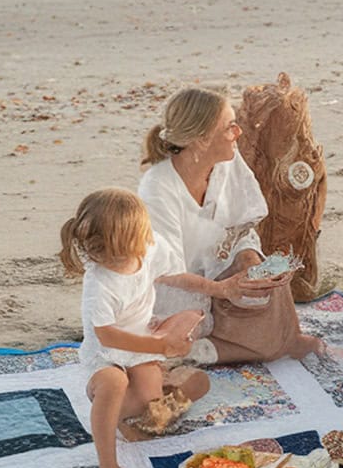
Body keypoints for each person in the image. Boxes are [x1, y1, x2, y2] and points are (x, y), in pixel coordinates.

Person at [138, 87, 322, 364]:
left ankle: (285, 338)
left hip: (218, 270)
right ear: (201, 141)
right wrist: (223, 290)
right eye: (229, 127)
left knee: (268, 278)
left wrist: (247, 259)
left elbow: (243, 226)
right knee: (186, 325)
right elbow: (165, 271)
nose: (239, 133)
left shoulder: (227, 163)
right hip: (172, 287)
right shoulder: (157, 188)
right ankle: (202, 350)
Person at [59, 188, 210, 468]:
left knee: (157, 407)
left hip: (140, 344)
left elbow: (178, 276)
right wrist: (161, 347)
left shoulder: (146, 252)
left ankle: (142, 407)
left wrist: (219, 289)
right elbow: (107, 335)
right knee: (115, 383)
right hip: (107, 356)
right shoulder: (99, 283)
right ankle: (107, 458)